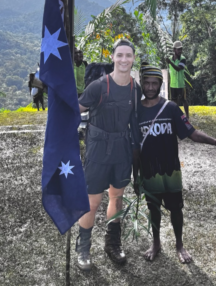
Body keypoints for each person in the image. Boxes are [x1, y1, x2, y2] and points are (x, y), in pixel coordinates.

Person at [134, 64, 216, 263]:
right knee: (154, 210)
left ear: (161, 84)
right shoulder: (136, 112)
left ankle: (179, 245)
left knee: (176, 209)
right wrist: (136, 176)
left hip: (171, 170)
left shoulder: (171, 108)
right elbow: (134, 147)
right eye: (147, 83)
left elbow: (192, 133)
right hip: (149, 171)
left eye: (154, 83)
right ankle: (156, 242)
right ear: (141, 84)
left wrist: (214, 141)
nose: (150, 87)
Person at [76, 39, 141, 271]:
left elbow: (136, 123)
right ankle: (83, 247)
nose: (124, 60)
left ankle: (112, 243)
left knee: (117, 198)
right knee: (93, 202)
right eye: (120, 55)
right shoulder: (98, 86)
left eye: (128, 55)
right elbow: (76, 109)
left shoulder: (136, 88)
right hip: (98, 149)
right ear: (113, 58)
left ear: (133, 59)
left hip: (122, 149)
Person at [166, 40, 189, 119]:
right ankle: (175, 115)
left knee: (183, 100)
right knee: (174, 101)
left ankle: (187, 116)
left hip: (181, 84)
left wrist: (170, 62)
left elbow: (178, 69)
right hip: (173, 84)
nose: (180, 51)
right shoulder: (170, 59)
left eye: (181, 49)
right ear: (174, 50)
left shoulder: (183, 59)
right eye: (178, 49)